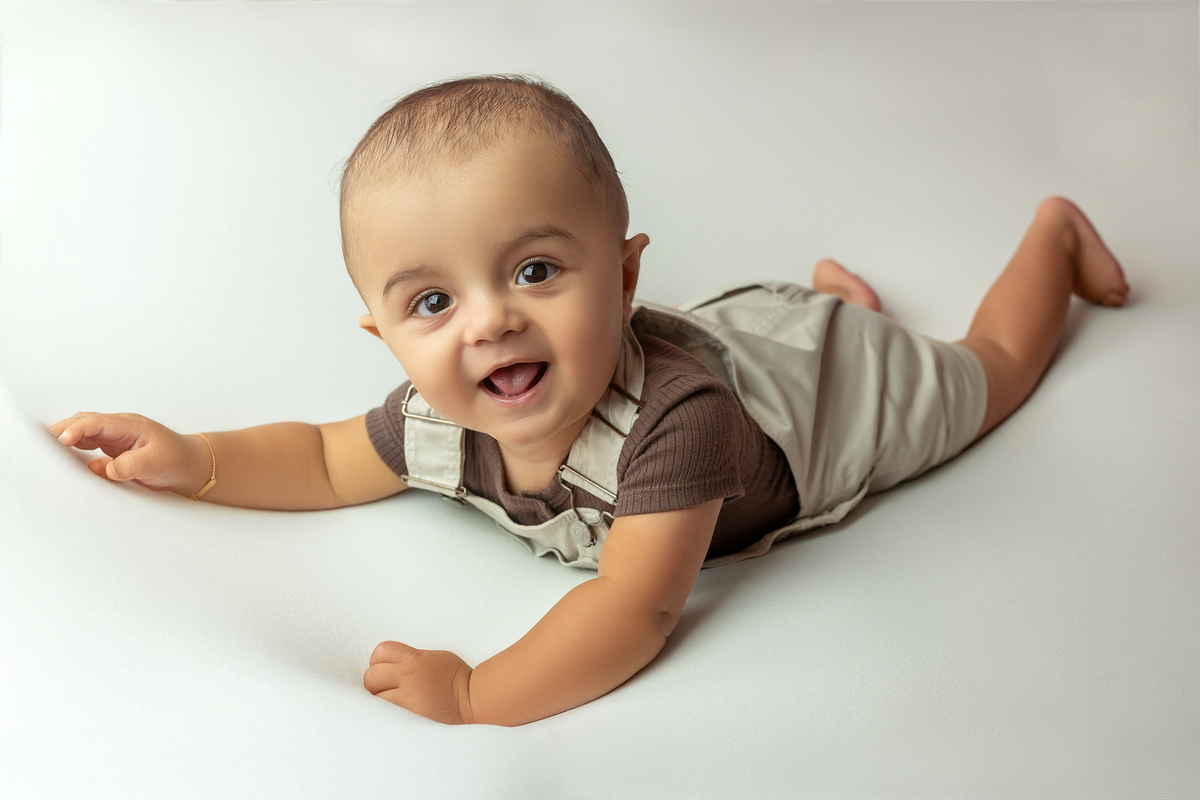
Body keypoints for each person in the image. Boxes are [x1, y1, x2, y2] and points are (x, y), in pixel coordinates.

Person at [48, 75, 1129, 727]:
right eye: (433, 298)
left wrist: (481, 691)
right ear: (385, 334)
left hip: (824, 399)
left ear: (622, 274)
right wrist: (199, 459)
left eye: (533, 271)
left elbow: (636, 605)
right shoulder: (438, 414)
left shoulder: (675, 424)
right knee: (782, 320)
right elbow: (331, 459)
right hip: (747, 333)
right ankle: (828, 295)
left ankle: (1049, 239)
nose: (489, 323)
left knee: (991, 371)